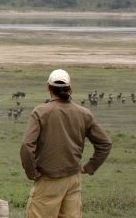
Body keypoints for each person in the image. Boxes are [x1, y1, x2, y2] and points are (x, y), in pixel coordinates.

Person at [20, 69, 112, 218]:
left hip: (48, 179)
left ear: (48, 87)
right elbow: (105, 143)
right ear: (70, 89)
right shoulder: (84, 113)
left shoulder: (40, 112)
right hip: (73, 179)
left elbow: (26, 145)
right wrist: (90, 167)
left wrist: (31, 172)